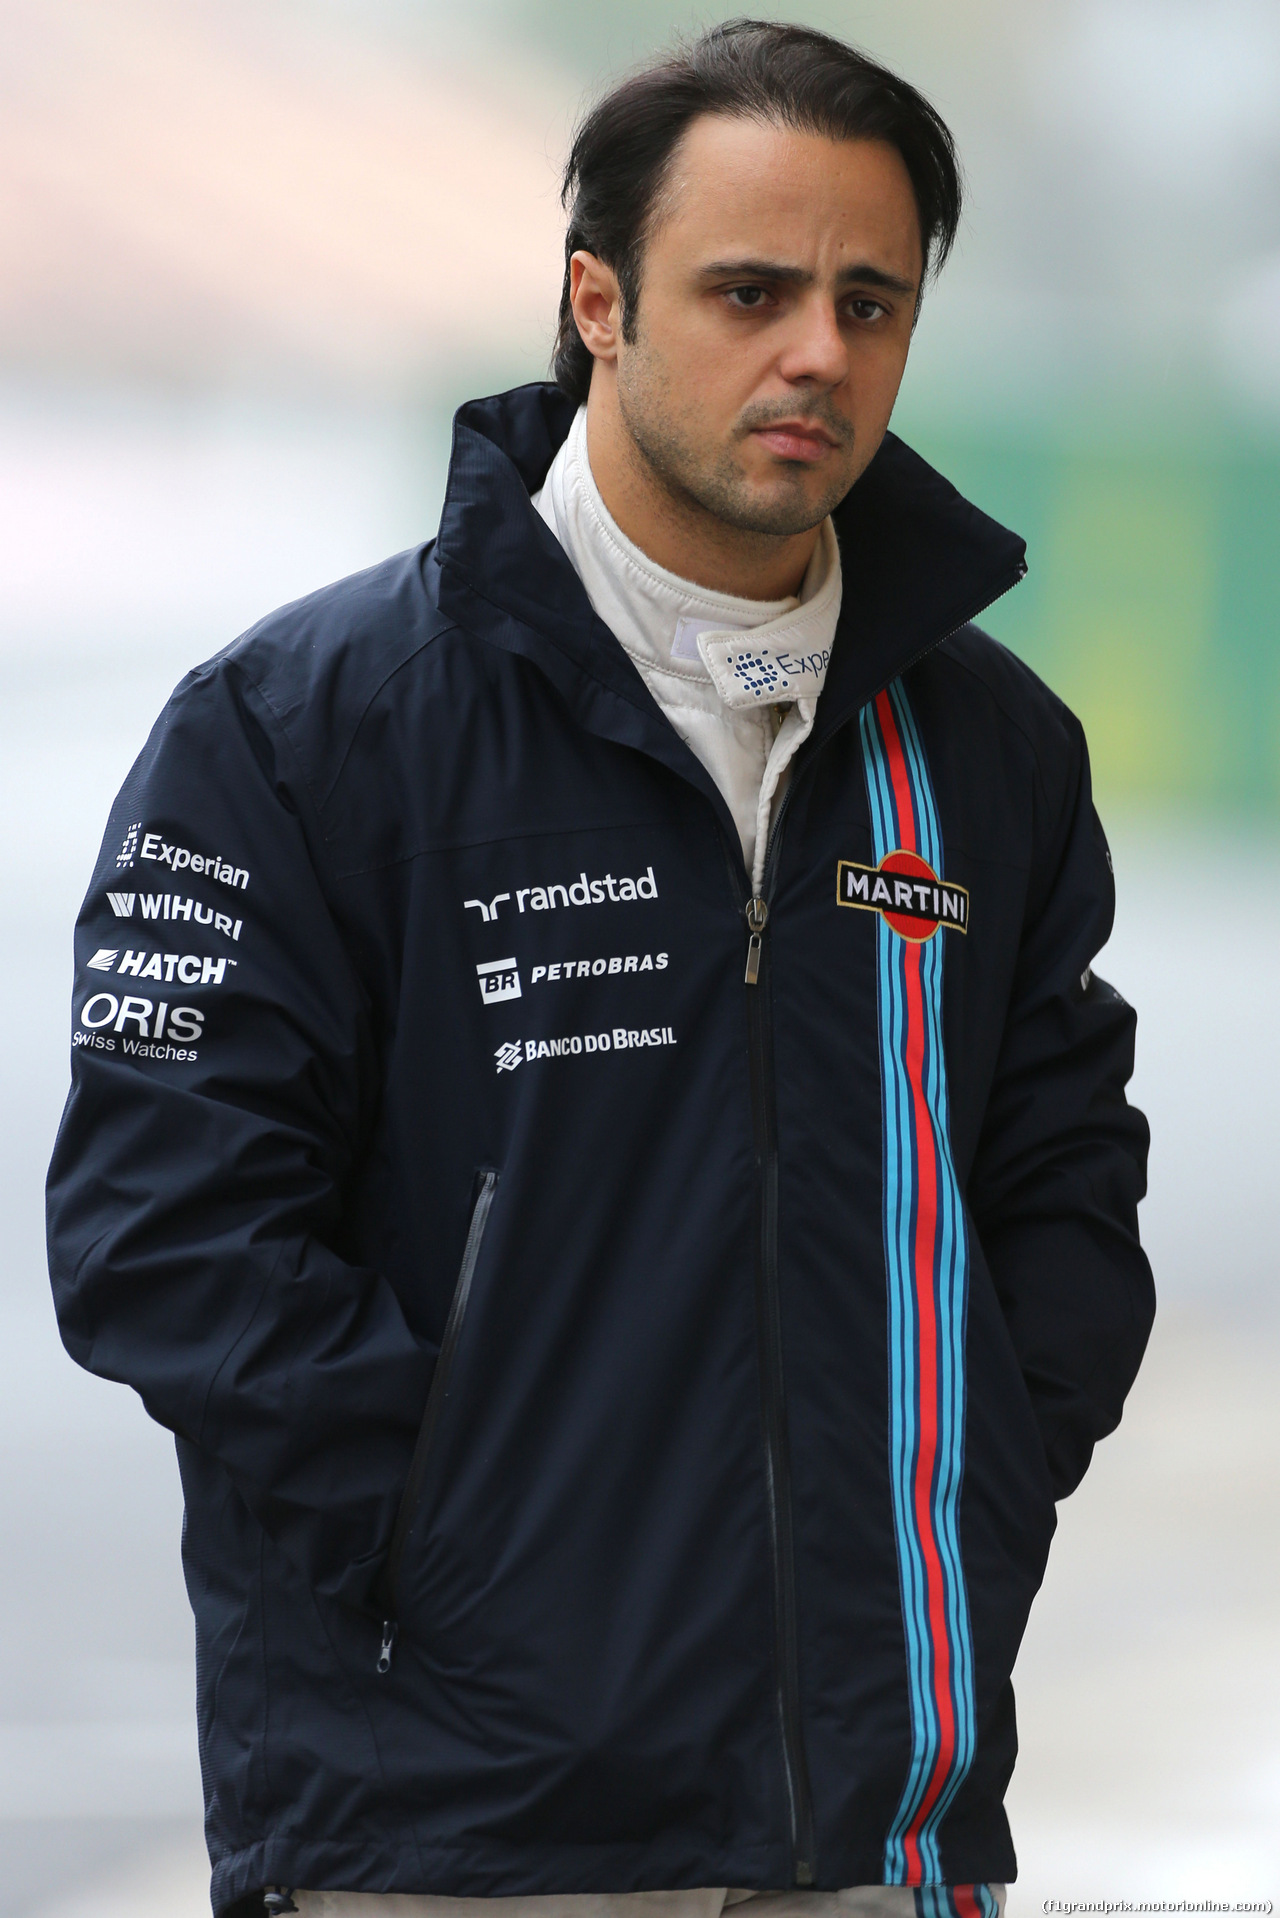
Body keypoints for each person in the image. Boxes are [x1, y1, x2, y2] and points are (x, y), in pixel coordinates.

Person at [45, 19, 1153, 1918]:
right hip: (452, 1828)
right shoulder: (305, 728)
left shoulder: (989, 753)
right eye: (749, 288)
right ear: (600, 304)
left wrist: (963, 1502)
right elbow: (165, 1234)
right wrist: (470, 1540)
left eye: (869, 300)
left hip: (881, 1819)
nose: (817, 348)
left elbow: (1062, 1198)